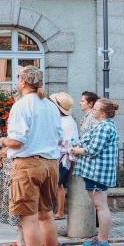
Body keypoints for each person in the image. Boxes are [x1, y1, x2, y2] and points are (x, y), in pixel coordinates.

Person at [0, 66, 62, 246]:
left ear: (24, 82)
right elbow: (59, 138)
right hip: (50, 164)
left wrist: (3, 140)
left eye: (18, 78)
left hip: (27, 165)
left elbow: (17, 141)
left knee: (29, 219)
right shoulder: (51, 106)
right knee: (46, 215)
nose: (16, 82)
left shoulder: (21, 105)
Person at [71, 98, 120, 246]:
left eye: (96, 109)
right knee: (101, 206)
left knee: (101, 206)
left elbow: (92, 150)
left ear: (103, 113)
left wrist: (76, 150)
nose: (93, 111)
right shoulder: (105, 125)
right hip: (97, 172)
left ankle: (102, 240)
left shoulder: (104, 127)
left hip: (97, 172)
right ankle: (101, 238)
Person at [49, 92, 79, 221]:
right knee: (57, 185)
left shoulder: (66, 122)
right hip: (60, 156)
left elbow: (68, 142)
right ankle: (58, 211)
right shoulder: (65, 120)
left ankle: (60, 211)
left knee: (57, 184)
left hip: (62, 157)